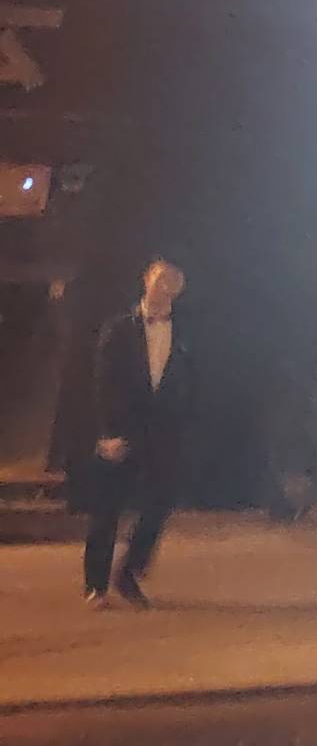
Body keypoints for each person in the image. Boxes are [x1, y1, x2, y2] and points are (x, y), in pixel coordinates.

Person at [82, 258, 193, 607]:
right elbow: (103, 383)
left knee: (159, 502)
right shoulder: (118, 329)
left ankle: (129, 572)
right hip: (122, 429)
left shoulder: (186, 332)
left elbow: (191, 382)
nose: (165, 286)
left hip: (162, 432)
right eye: (159, 279)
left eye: (172, 281)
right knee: (107, 508)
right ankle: (96, 584)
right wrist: (108, 433)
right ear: (146, 280)